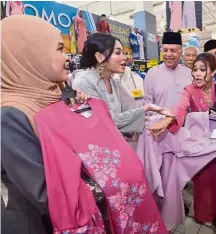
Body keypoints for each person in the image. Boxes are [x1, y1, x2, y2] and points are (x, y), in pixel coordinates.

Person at [1, 15, 89, 234]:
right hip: (39, 225)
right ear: (29, 55)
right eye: (59, 49)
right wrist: (107, 186)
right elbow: (45, 193)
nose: (67, 57)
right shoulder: (11, 115)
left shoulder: (52, 95)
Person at [148, 53, 216, 227]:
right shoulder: (190, 89)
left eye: (203, 69)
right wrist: (167, 120)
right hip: (200, 141)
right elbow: (180, 107)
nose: (197, 74)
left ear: (214, 72)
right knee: (205, 177)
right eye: (195, 69)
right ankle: (205, 214)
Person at [72, 33, 169, 140]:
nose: (125, 57)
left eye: (124, 53)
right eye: (118, 53)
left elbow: (119, 117)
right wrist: (145, 109)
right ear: (99, 57)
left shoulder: (113, 80)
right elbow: (106, 120)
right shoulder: (84, 82)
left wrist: (151, 118)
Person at [144, 32, 193, 109]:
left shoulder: (189, 73)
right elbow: (147, 104)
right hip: (160, 120)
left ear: (181, 52)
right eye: (165, 50)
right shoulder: (152, 74)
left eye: (173, 50)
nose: (168, 54)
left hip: (186, 120)